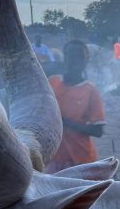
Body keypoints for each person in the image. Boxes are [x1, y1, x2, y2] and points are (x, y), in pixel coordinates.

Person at [45, 40, 106, 174]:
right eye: (70, 56)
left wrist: (65, 123)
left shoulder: (91, 91)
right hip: (53, 160)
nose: (74, 61)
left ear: (85, 62)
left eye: (79, 57)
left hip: (81, 161)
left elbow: (98, 131)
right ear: (65, 59)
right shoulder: (51, 83)